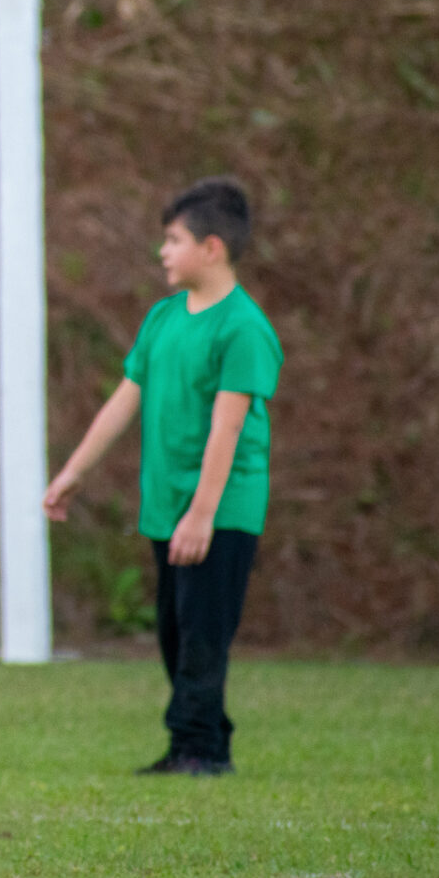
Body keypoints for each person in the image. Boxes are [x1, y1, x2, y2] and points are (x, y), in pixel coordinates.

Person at [43, 178, 283, 776]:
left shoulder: (243, 329)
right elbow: (123, 401)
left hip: (220, 509)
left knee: (203, 634)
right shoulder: (163, 319)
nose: (163, 253)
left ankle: (198, 749)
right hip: (167, 503)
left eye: (173, 240)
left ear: (213, 248)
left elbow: (227, 430)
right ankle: (202, 742)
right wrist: (73, 473)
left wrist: (203, 513)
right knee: (175, 635)